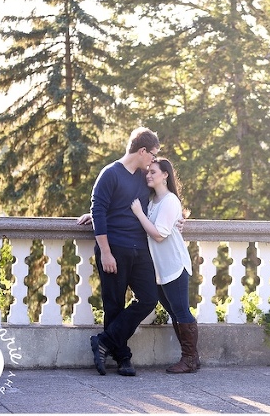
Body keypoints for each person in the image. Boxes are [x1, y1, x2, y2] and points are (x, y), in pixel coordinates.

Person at [81, 126, 161, 377]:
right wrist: (105, 251)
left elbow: (164, 192)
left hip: (140, 249)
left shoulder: (141, 177)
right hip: (114, 248)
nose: (152, 161)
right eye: (152, 155)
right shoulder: (110, 174)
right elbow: (100, 208)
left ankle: (103, 341)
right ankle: (123, 358)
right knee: (114, 304)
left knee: (149, 298)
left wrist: (179, 217)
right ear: (142, 150)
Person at [130, 157, 199, 373]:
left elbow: (159, 235)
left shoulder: (169, 201)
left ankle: (189, 359)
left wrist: (139, 214)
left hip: (174, 266)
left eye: (153, 171)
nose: (148, 175)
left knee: (180, 311)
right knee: (174, 311)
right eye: (147, 172)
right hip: (160, 270)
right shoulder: (151, 200)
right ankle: (192, 359)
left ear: (165, 175)